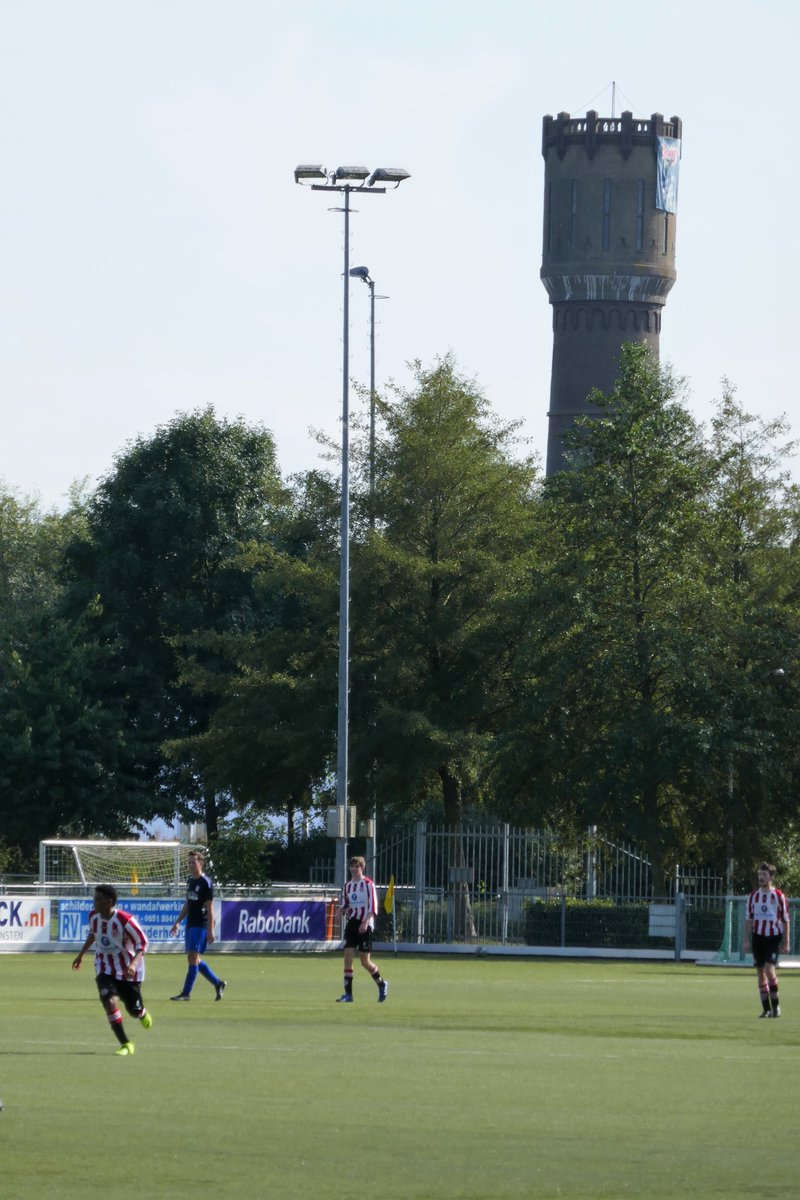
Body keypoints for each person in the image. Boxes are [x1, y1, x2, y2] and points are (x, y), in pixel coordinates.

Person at [72, 883, 153, 1056]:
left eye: (98, 899)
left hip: (127, 971)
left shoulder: (125, 920)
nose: (94, 902)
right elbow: (94, 934)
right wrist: (81, 955)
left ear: (109, 901)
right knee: (109, 1001)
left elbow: (143, 943)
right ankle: (126, 1044)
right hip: (104, 967)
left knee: (134, 1010)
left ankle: (141, 1012)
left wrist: (133, 964)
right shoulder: (93, 916)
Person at [169, 849, 226, 1001]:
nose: (190, 865)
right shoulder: (190, 881)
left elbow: (210, 907)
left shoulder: (205, 883)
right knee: (194, 959)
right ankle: (218, 983)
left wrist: (210, 930)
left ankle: (186, 993)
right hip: (190, 923)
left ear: (201, 863)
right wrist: (178, 922)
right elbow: (188, 903)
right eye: (188, 862)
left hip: (200, 924)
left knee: (193, 958)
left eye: (193, 862)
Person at [336, 855, 388, 1004]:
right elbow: (347, 903)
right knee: (348, 957)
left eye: (357, 866)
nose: (354, 869)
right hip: (353, 923)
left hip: (365, 923)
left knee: (365, 962)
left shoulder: (368, 884)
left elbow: (373, 907)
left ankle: (382, 984)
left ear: (362, 868)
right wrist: (341, 910)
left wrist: (365, 922)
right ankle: (348, 995)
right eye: (352, 866)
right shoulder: (348, 886)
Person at [743, 862, 790, 1018]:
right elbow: (749, 919)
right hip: (758, 938)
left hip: (772, 937)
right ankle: (766, 1009)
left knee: (769, 970)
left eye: (764, 875)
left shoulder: (778, 896)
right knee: (760, 973)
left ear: (770, 877)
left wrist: (786, 941)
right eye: (759, 874)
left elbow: (785, 919)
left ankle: (776, 1007)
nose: (761, 877)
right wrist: (746, 940)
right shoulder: (753, 896)